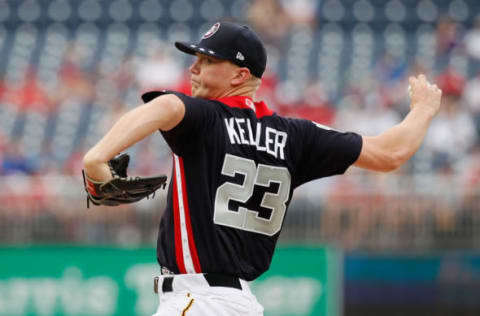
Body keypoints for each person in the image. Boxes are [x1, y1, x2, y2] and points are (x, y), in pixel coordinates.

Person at [83, 21, 442, 316]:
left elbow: (165, 107)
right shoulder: (297, 135)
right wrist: (423, 109)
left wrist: (96, 157)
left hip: (195, 301)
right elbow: (390, 153)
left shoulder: (204, 117)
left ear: (239, 76)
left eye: (207, 61)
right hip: (242, 305)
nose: (193, 68)